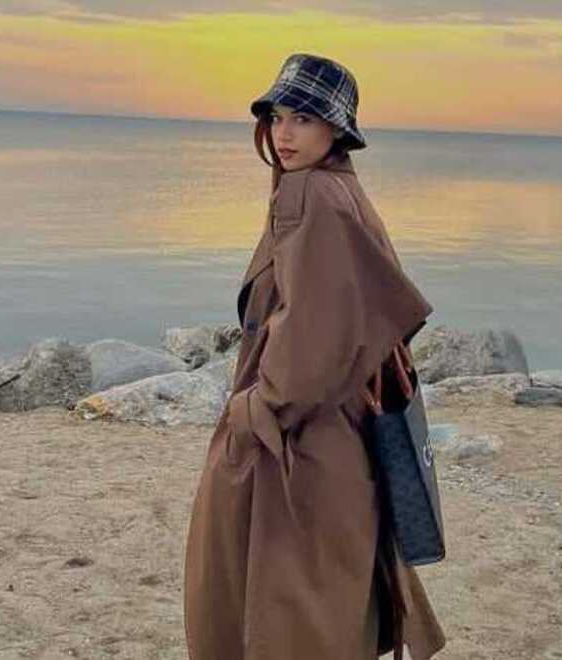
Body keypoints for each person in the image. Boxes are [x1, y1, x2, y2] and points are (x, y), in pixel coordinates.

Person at [183, 53, 446, 660]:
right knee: (323, 597)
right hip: (337, 428)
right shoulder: (341, 188)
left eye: (303, 119)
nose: (284, 133)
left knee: (276, 599)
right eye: (278, 117)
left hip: (299, 436)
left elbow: (313, 327)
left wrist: (259, 408)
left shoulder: (309, 193)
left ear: (336, 129)